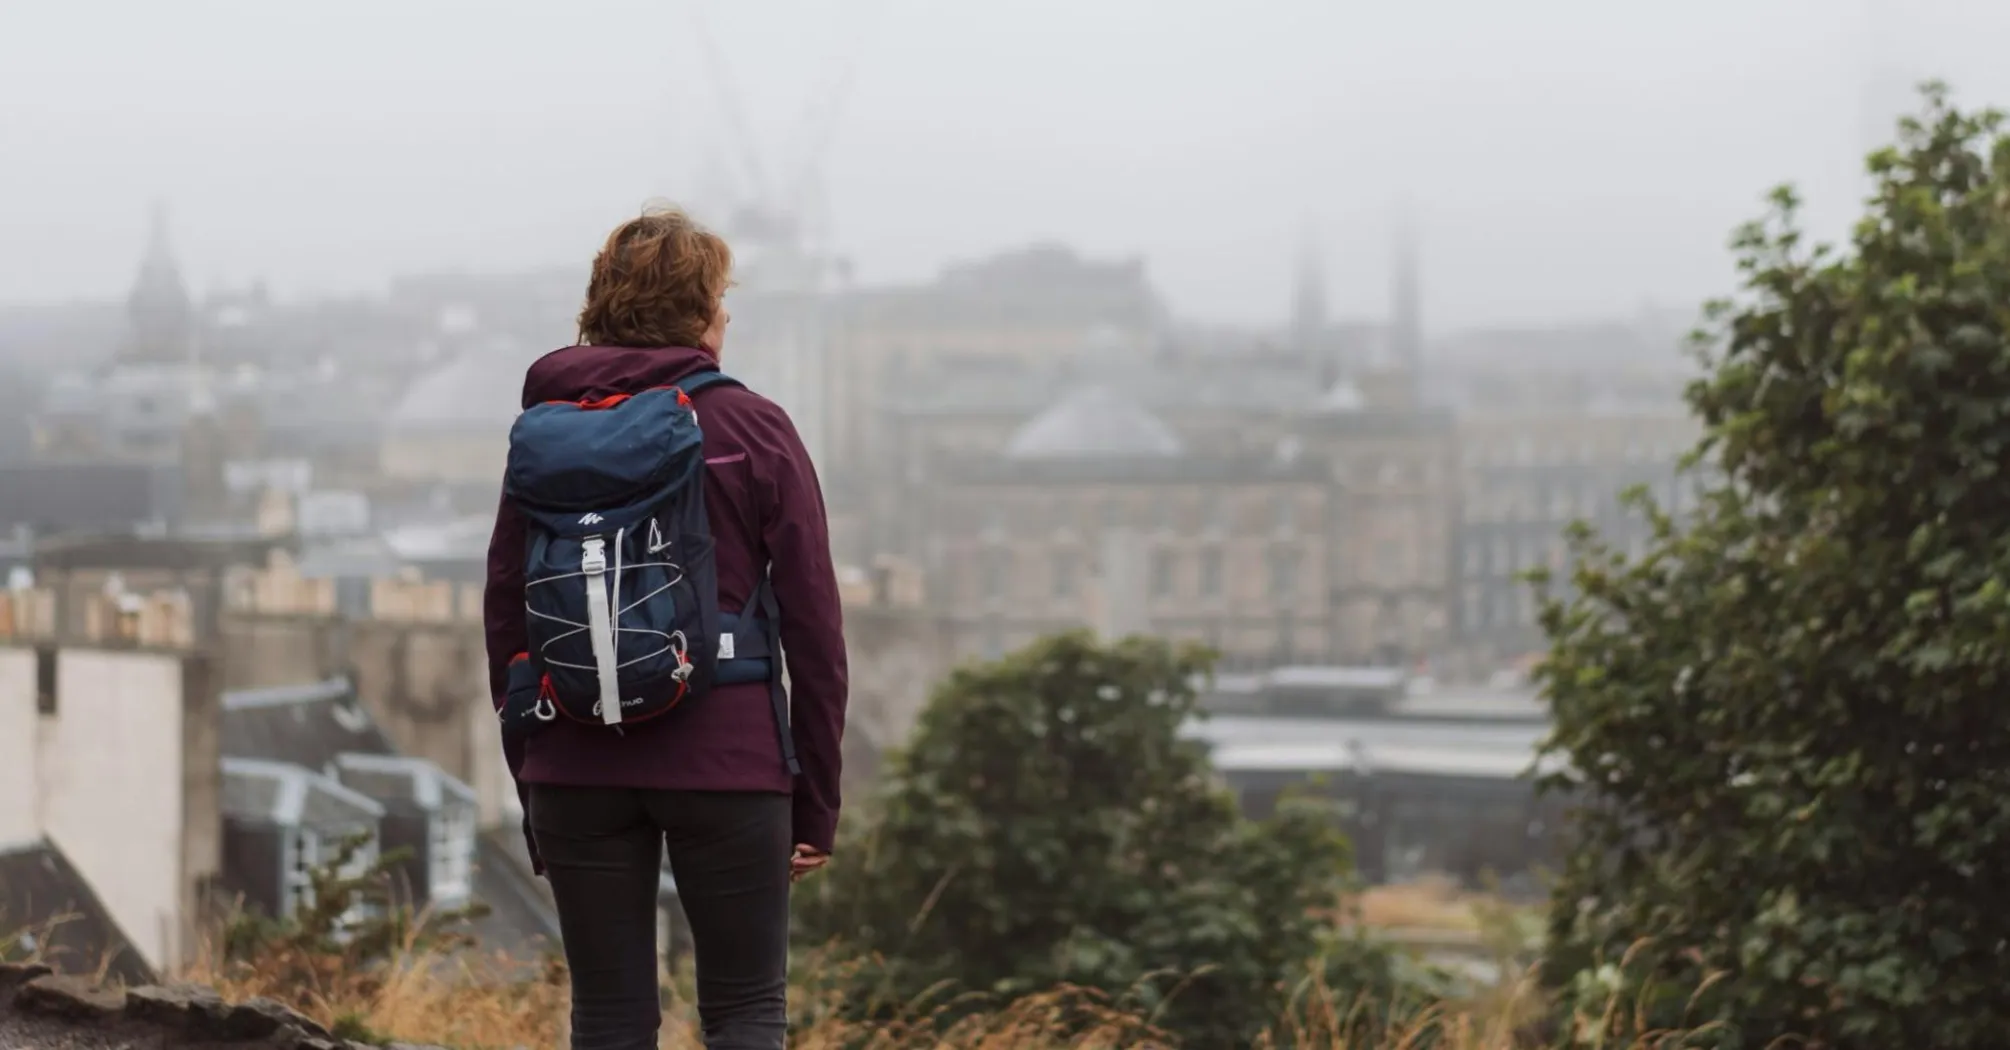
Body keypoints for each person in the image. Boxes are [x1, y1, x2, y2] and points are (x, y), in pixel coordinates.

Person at [483, 204, 848, 1050]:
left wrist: (530, 773)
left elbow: (507, 610)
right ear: (697, 313)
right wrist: (814, 798)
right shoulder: (753, 427)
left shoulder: (546, 436)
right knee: (746, 1010)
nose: (727, 316)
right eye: (720, 299)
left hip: (573, 758)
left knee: (608, 1017)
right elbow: (814, 627)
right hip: (729, 759)